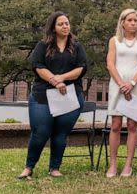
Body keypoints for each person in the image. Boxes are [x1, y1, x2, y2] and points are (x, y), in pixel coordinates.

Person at [18, 11, 87, 179]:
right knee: (41, 132)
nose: (65, 26)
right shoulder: (43, 45)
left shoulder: (76, 46)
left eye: (67, 23)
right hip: (43, 95)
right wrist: (55, 81)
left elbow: (82, 68)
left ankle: (54, 168)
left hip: (69, 96)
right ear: (53, 27)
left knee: (60, 133)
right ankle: (29, 167)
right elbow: (37, 66)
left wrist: (62, 78)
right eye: (61, 24)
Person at [105, 8, 137, 178]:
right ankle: (113, 165)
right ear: (122, 22)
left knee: (132, 126)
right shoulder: (114, 41)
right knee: (115, 126)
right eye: (129, 20)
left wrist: (131, 83)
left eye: (135, 20)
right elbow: (110, 64)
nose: (133, 23)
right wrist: (121, 84)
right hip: (117, 85)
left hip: (136, 86)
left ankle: (128, 165)